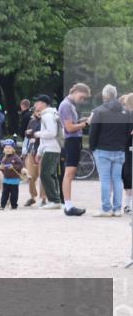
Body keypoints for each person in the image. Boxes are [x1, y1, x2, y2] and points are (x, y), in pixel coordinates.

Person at [88, 84, 130, 217]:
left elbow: (93, 132)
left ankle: (106, 208)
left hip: (103, 149)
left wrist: (92, 147)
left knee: (105, 179)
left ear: (105, 95)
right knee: (117, 179)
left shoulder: (99, 111)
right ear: (115, 95)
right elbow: (128, 132)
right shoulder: (126, 112)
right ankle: (117, 209)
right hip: (119, 150)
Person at [58, 83, 91, 216]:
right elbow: (70, 128)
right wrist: (87, 123)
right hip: (72, 141)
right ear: (76, 91)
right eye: (82, 97)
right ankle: (68, 206)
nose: (82, 100)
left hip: (74, 141)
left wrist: (84, 120)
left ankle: (68, 205)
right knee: (69, 173)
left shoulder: (69, 104)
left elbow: (72, 124)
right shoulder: (66, 105)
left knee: (70, 173)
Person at [33, 94, 63, 210]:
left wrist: (37, 134)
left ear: (43, 104)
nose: (35, 105)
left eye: (37, 102)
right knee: (51, 174)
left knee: (45, 174)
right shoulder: (49, 114)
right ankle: (56, 199)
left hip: (51, 148)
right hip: (51, 147)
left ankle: (54, 200)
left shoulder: (47, 116)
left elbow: (51, 133)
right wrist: (39, 152)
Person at [22, 106, 45, 207]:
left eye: (40, 111)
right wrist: (27, 133)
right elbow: (27, 135)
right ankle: (32, 196)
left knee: (43, 176)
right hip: (31, 151)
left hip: (43, 151)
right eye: (37, 111)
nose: (39, 112)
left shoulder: (46, 121)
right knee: (30, 175)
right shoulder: (32, 121)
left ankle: (44, 198)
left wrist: (35, 136)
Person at [0, 140, 25, 210]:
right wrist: (1, 168)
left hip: (14, 180)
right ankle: (2, 205)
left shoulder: (16, 157)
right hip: (6, 179)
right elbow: (2, 167)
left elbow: (21, 165)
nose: (7, 149)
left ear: (13, 149)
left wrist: (13, 166)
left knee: (14, 194)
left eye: (9, 148)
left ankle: (14, 205)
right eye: (6, 148)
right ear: (3, 150)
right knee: (4, 193)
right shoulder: (4, 158)